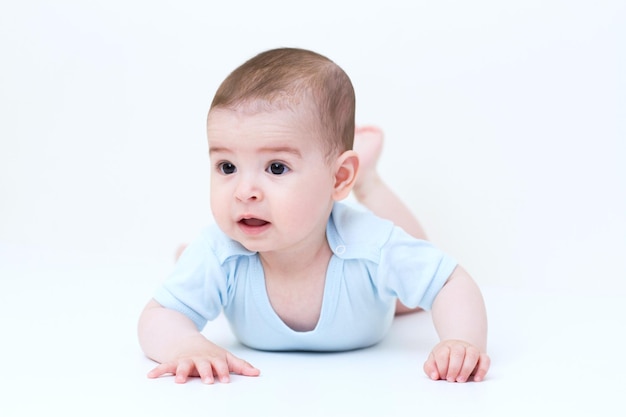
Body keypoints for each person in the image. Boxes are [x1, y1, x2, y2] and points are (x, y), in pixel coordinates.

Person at [137, 48, 490, 385]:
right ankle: (186, 258)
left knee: (409, 300)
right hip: (220, 259)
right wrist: (186, 345)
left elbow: (449, 282)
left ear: (338, 178)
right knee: (196, 260)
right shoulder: (220, 252)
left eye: (276, 167)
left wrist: (461, 342)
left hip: (371, 295)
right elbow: (159, 317)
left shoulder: (369, 245)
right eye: (227, 166)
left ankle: (368, 182)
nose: (245, 191)